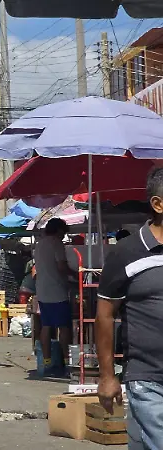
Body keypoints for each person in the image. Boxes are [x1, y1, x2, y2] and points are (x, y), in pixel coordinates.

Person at [97, 168, 163, 449]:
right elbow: (105, 315)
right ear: (158, 204)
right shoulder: (127, 252)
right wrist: (107, 377)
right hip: (149, 379)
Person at [34, 217, 74, 376]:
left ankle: (47, 361)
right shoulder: (56, 243)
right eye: (63, 233)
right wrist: (76, 274)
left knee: (46, 325)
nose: (64, 236)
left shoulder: (40, 244)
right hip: (57, 290)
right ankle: (66, 361)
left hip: (43, 290)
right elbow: (61, 267)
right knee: (64, 327)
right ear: (58, 230)